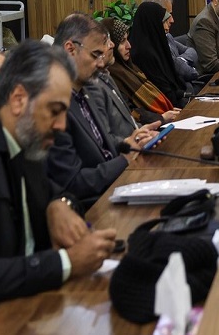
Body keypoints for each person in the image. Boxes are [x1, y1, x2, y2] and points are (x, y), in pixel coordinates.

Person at [0, 40, 116, 302]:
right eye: (54, 111)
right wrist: (66, 262)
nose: (61, 125)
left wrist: (58, 205)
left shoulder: (26, 145)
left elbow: (61, 192)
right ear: (18, 100)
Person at [47, 14, 159, 207]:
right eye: (95, 55)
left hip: (116, 187)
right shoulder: (52, 105)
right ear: (70, 49)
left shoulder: (84, 91)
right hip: (94, 205)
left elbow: (101, 141)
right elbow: (73, 183)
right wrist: (125, 159)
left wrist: (130, 142)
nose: (101, 63)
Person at [105, 18, 180, 122]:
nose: (129, 46)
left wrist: (167, 112)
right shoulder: (111, 76)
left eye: (127, 39)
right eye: (122, 42)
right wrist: (161, 117)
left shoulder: (131, 68)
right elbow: (129, 112)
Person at [129, 2, 188, 108]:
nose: (169, 23)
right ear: (153, 23)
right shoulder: (143, 53)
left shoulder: (156, 44)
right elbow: (161, 89)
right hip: (164, 107)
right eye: (163, 21)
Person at [142, 0, 201, 92]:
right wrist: (181, 65)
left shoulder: (167, 36)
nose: (172, 20)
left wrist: (180, 60)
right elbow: (189, 73)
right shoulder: (151, 45)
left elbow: (192, 51)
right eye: (167, 15)